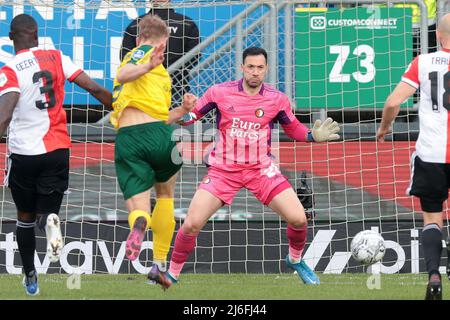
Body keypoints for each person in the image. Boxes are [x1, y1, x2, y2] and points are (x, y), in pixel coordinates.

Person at [149, 46, 341, 289]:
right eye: (250, 67)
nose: (255, 72)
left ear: (266, 69)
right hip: (223, 171)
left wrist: (313, 135)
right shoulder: (219, 92)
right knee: (191, 223)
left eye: (260, 67)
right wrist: (184, 110)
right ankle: (172, 275)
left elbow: (293, 129)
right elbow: (189, 119)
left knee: (299, 219)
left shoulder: (277, 99)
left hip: (261, 171)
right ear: (242, 67)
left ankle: (295, 260)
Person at [0, 14, 112, 296]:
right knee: (47, 212)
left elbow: (5, 113)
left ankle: (29, 275)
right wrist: (123, 111)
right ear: (37, 35)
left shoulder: (10, 68)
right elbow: (95, 89)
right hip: (58, 150)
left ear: (12, 38)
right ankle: (49, 221)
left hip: (25, 153)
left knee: (23, 216)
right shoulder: (58, 56)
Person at [111, 14, 195, 284]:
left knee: (138, 204)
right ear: (166, 42)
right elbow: (161, 118)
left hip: (131, 137)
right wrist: (183, 110)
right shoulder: (161, 73)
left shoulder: (139, 53)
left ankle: (139, 221)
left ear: (138, 38)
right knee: (166, 195)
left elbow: (122, 75)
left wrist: (145, 65)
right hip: (162, 138)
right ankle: (159, 265)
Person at [377, 13, 450, 300]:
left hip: (430, 154)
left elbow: (393, 101)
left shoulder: (423, 62)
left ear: (438, 36)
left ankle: (433, 274)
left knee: (432, 217)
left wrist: (384, 128)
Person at [120, 0, 200, 106]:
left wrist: (150, 71)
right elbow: (194, 57)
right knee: (175, 121)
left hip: (143, 90)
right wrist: (170, 73)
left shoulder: (136, 24)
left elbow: (125, 57)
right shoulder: (187, 23)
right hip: (176, 87)